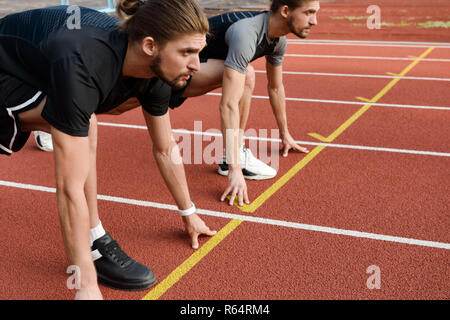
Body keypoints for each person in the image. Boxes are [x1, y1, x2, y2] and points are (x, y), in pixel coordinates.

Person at [0, 0, 216, 300]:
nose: (196, 64)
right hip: (7, 67)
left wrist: (188, 212)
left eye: (199, 52)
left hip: (47, 62)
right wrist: (86, 286)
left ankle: (94, 237)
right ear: (150, 45)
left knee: (84, 120)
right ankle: (93, 243)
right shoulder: (84, 61)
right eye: (186, 52)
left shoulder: (157, 74)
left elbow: (166, 149)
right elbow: (68, 188)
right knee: (85, 124)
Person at [169, 0, 320, 207]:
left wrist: (284, 134)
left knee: (245, 74)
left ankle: (232, 154)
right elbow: (228, 104)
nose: (315, 21)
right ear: (285, 11)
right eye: (309, 13)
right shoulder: (247, 32)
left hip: (200, 68)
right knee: (246, 74)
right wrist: (235, 169)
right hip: (174, 71)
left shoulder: (278, 41)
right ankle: (232, 156)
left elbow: (275, 88)